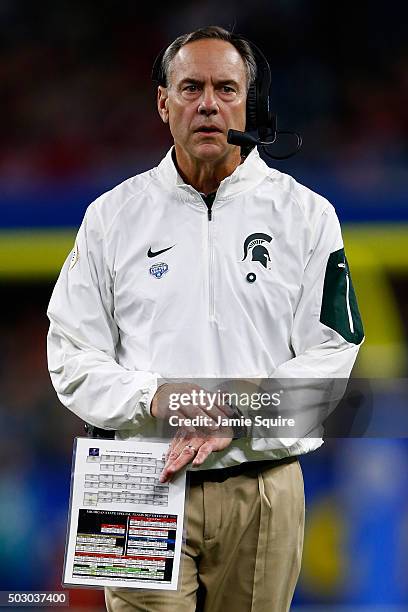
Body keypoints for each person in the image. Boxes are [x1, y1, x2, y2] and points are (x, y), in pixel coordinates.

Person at [47, 25, 364, 612]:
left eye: (226, 88)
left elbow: (331, 356)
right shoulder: (111, 217)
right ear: (163, 102)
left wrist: (242, 412)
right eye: (191, 88)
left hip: (263, 480)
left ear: (252, 103)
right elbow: (69, 355)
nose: (209, 104)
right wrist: (154, 396)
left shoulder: (306, 215)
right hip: (137, 476)